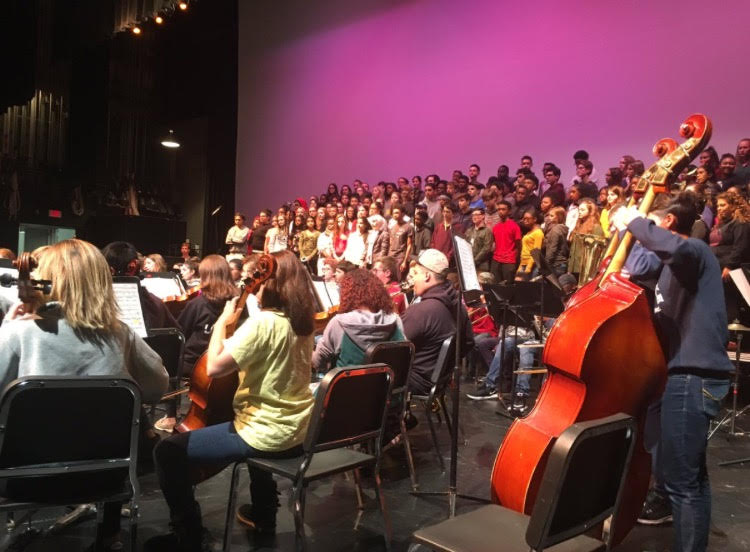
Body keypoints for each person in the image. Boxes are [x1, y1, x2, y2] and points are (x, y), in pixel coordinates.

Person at [0, 239, 167, 552]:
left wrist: (5, 329)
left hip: (23, 479)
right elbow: (158, 387)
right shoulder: (121, 334)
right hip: (106, 477)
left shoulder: (17, 333)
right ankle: (110, 535)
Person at [147, 251, 316, 551]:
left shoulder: (264, 322)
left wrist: (225, 320)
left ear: (270, 284)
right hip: (299, 431)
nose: (253, 287)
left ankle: (188, 534)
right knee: (253, 413)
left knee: (167, 453)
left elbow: (213, 367)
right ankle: (265, 512)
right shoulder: (301, 323)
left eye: (258, 282)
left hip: (266, 434)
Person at [614, 193, 732, 552]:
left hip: (692, 377)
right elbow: (635, 268)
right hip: (683, 376)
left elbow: (674, 250)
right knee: (693, 479)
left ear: (664, 223)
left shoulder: (694, 249)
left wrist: (635, 220)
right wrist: (626, 235)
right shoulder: (669, 266)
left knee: (683, 484)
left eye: (652, 222)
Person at [156, 256, 239, 432]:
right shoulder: (237, 304)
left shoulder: (198, 304)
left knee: (170, 356)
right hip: (228, 362)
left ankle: (171, 416)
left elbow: (180, 334)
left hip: (194, 364)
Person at [400, 249, 473, 394]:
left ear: (427, 276)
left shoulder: (422, 311)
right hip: (438, 381)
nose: (413, 280)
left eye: (415, 275)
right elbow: (469, 343)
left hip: (417, 381)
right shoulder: (458, 305)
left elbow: (392, 347)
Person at [312, 268, 405, 373]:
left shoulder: (339, 323)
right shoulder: (396, 320)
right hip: (383, 388)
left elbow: (318, 363)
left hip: (344, 388)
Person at [491, 200, 521, 285]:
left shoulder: (514, 226)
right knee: (495, 286)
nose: (500, 211)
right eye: (499, 209)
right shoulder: (496, 227)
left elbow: (519, 245)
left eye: (503, 209)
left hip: (509, 261)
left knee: (508, 287)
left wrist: (516, 259)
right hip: (496, 260)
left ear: (509, 211)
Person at [464, 207, 494, 272]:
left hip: (481, 265)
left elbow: (486, 249)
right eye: (473, 215)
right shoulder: (469, 230)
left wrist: (474, 261)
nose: (474, 217)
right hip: (468, 264)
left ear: (483, 216)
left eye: (477, 215)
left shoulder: (487, 231)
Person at [516, 209, 544, 279]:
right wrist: (521, 266)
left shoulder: (538, 233)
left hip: (531, 265)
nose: (525, 221)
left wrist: (528, 268)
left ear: (534, 219)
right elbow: (525, 250)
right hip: (524, 263)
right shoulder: (529, 232)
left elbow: (536, 252)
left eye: (527, 219)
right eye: (524, 219)